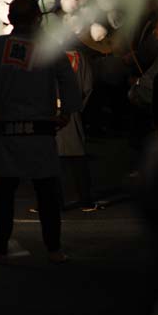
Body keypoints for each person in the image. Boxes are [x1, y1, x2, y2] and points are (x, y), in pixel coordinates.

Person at [0, 0, 82, 264]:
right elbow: (68, 81)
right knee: (47, 194)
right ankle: (53, 249)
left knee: (5, 195)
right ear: (37, 19)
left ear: (10, 17)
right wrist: (65, 112)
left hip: (7, 130)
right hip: (41, 131)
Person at [56, 44, 97, 210]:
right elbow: (88, 87)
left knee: (52, 157)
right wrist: (78, 107)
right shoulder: (80, 57)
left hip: (50, 110)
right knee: (77, 155)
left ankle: (55, 200)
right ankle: (85, 198)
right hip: (73, 110)